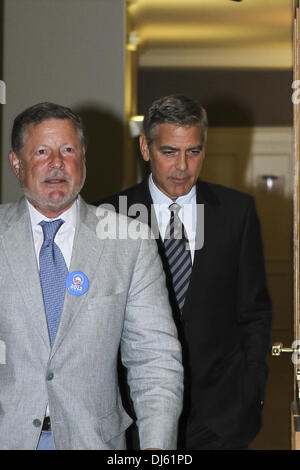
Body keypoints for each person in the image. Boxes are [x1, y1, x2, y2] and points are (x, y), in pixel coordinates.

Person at [0, 102, 183, 450]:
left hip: (95, 441)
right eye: (41, 151)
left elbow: (154, 359)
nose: (56, 162)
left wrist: (157, 450)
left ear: (83, 159)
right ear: (16, 163)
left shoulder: (129, 242)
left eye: (68, 150)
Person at [96, 94, 273, 450]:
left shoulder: (236, 212)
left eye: (193, 151)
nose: (182, 166)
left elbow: (254, 312)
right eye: (169, 152)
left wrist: (250, 393)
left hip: (221, 418)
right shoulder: (111, 216)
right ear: (146, 147)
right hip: (138, 414)